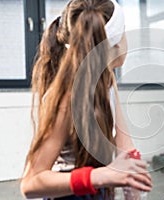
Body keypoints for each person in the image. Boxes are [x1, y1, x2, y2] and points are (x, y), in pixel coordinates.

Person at [20, 0, 152, 199]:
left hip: (98, 189)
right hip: (69, 192)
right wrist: (99, 176)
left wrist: (133, 186)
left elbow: (125, 146)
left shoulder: (107, 79)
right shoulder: (67, 97)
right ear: (116, 41)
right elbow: (31, 183)